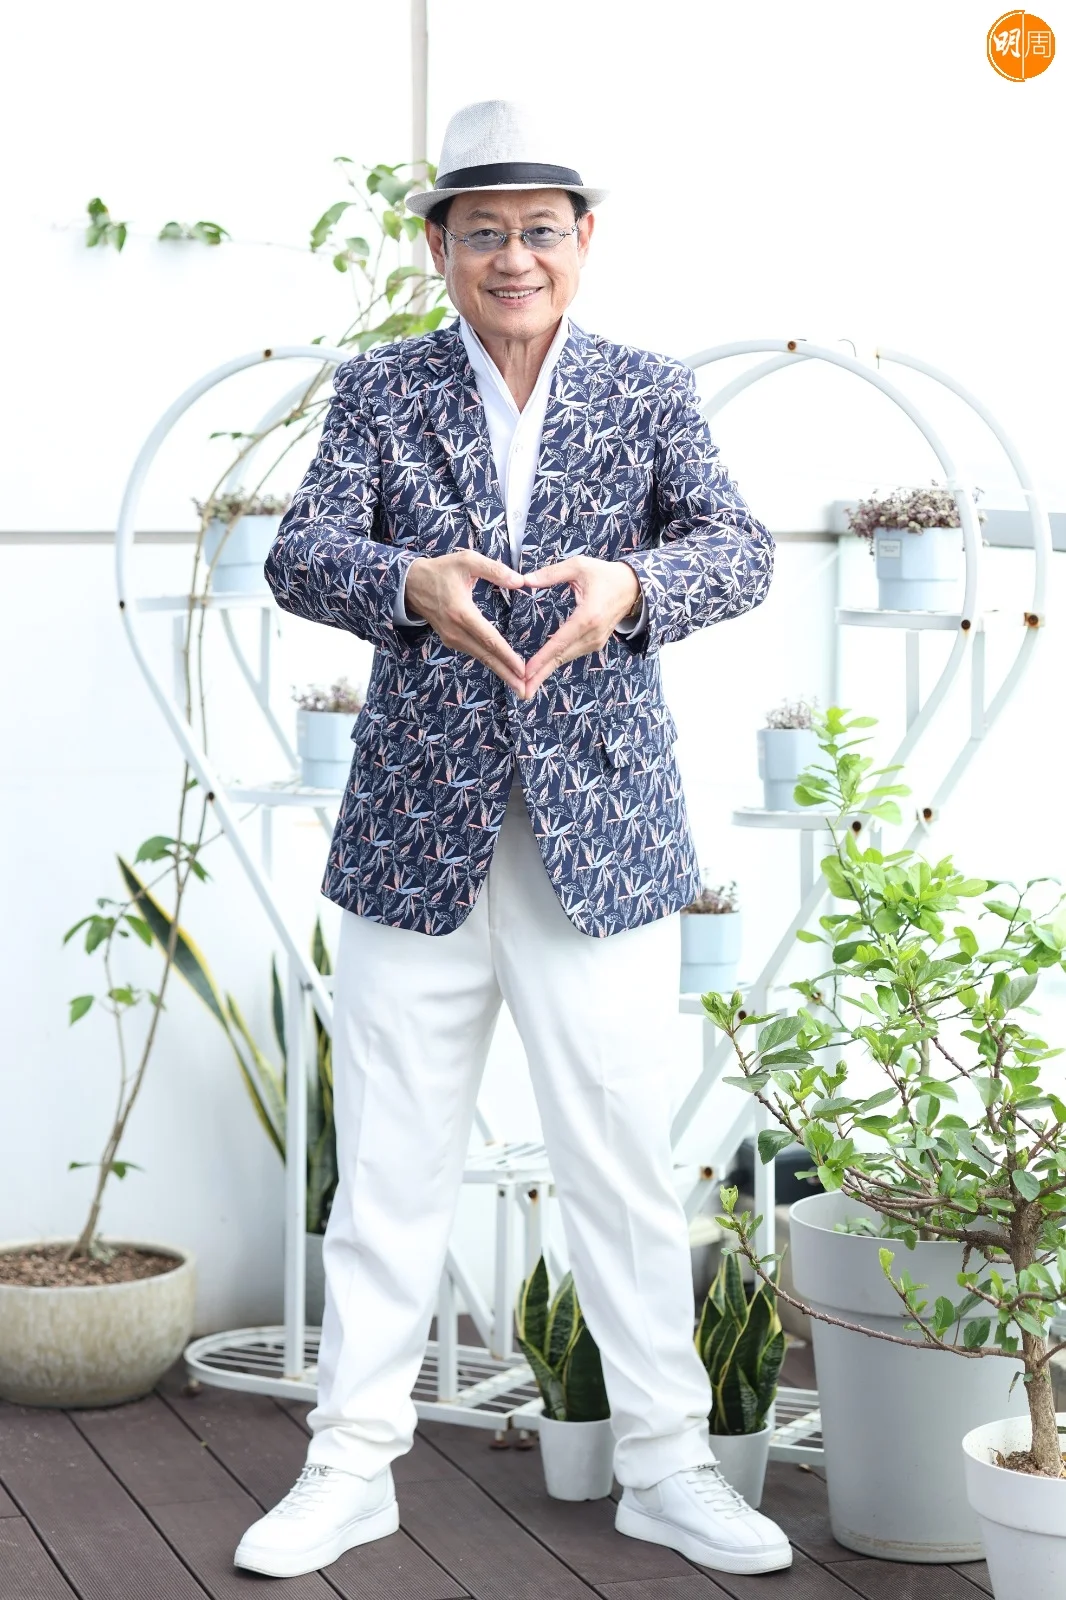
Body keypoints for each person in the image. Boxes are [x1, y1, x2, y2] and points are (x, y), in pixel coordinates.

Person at [235, 98, 788, 1581]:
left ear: (583, 239)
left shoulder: (650, 389)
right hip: (416, 832)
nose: (514, 256)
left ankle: (666, 1468)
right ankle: (350, 1469)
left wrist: (630, 588)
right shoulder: (381, 387)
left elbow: (737, 550)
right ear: (439, 247)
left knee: (620, 1165)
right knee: (388, 1169)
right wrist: (409, 583)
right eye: (483, 230)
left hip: (598, 833)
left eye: (541, 228)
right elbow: (302, 552)